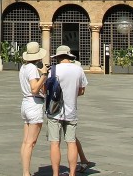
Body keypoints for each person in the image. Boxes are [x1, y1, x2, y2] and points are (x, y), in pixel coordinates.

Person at [46, 45, 87, 176]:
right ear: (69, 56)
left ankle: (55, 173)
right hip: (71, 111)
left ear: (57, 57)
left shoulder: (52, 70)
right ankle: (72, 173)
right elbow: (81, 91)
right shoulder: (78, 69)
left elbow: (45, 90)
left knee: (54, 143)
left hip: (54, 111)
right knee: (71, 142)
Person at [18, 42, 48, 176]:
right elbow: (35, 89)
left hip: (25, 103)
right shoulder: (31, 68)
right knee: (31, 142)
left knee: (26, 142)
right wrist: (44, 76)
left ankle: (25, 171)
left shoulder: (23, 68)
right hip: (34, 104)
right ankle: (25, 173)